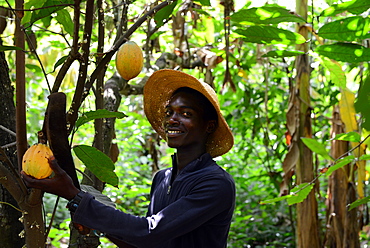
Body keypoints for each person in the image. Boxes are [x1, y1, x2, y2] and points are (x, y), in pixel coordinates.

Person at [22, 69, 235, 248]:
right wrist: (97, 223)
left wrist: (73, 194)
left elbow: (149, 231)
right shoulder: (162, 178)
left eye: (186, 114)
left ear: (209, 126)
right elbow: (145, 243)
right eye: (169, 112)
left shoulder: (215, 184)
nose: (172, 120)